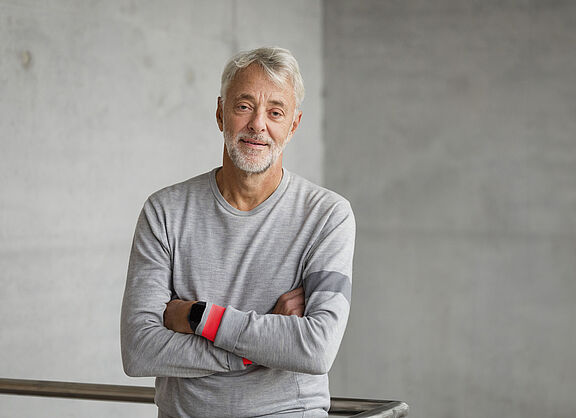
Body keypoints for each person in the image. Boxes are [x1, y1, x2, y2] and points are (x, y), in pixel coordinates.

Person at [121, 46, 355, 418]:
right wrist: (255, 352)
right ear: (220, 113)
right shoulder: (164, 211)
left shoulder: (327, 215)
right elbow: (139, 350)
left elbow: (316, 349)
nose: (258, 124)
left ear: (293, 125)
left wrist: (198, 317)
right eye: (244, 106)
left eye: (275, 112)